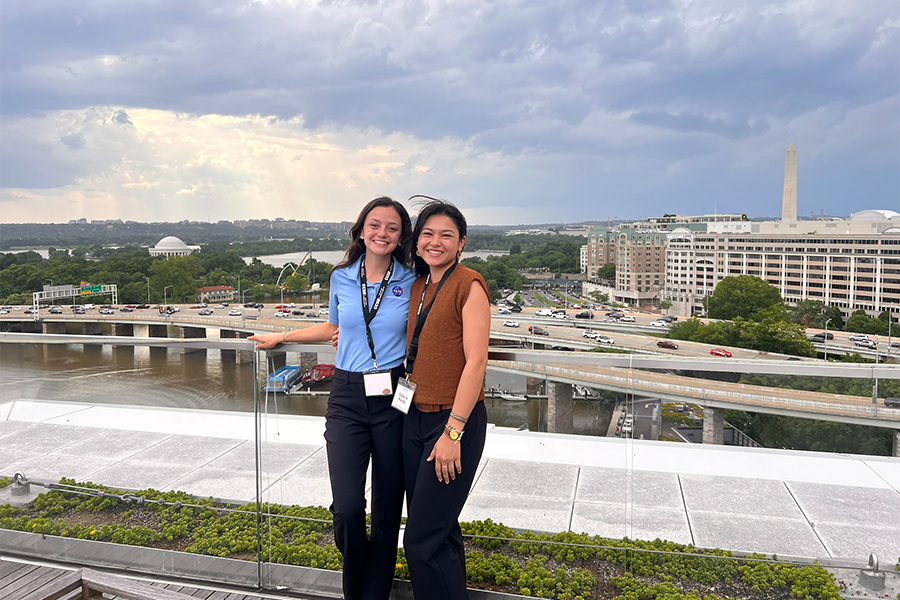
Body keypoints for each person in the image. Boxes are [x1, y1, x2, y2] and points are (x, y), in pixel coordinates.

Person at [249, 197, 416, 600]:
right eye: (374, 225)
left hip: (393, 394)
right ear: (360, 230)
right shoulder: (342, 276)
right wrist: (283, 336)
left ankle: (370, 593)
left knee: (389, 506)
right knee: (346, 508)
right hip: (346, 395)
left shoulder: (412, 280)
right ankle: (356, 584)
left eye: (392, 228)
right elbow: (332, 327)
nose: (382, 233)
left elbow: (420, 330)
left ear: (400, 237)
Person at [400, 198, 490, 600]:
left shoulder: (468, 284)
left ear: (461, 243)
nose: (435, 242)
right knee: (441, 531)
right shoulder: (419, 284)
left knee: (419, 541)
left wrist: (453, 433)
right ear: (417, 241)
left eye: (446, 235)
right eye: (428, 234)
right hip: (412, 418)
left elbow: (476, 363)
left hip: (451, 424)